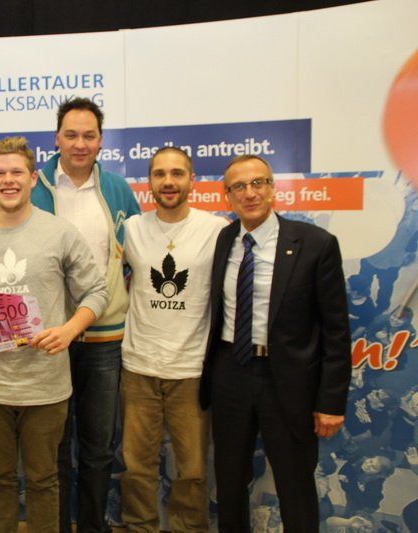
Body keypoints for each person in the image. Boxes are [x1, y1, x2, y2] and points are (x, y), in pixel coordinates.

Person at [0, 136, 108, 532]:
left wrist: (69, 330)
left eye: (17, 172)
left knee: (44, 481)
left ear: (32, 178)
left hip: (45, 386)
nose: (8, 180)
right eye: (0, 173)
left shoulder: (60, 232)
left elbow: (97, 291)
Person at [199, 155, 352, 532]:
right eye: (239, 186)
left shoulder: (315, 244)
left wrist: (330, 401)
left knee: (294, 483)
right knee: (229, 481)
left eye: (258, 183)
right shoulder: (224, 239)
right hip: (230, 373)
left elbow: (335, 330)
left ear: (272, 188)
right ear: (227, 196)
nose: (250, 193)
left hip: (288, 380)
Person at [31, 97, 140, 532]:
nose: (80, 144)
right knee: (53, 448)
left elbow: (137, 256)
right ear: (56, 138)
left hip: (104, 340)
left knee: (98, 446)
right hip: (49, 339)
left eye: (89, 136)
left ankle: (93, 525)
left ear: (100, 141)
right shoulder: (33, 187)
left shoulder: (117, 190)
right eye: (71, 135)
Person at [120, 147, 227, 531]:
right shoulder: (132, 228)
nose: (168, 182)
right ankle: (140, 527)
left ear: (192, 180)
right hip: (139, 367)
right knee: (136, 467)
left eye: (177, 173)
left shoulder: (216, 230)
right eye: (160, 174)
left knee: (192, 470)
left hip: (192, 370)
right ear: (149, 181)